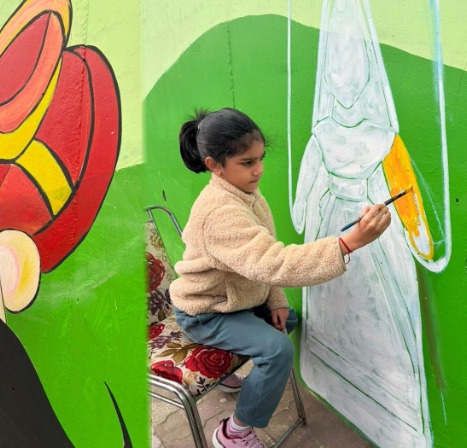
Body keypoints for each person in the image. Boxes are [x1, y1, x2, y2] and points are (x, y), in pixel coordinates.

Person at [167, 108, 391, 448]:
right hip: (206, 312)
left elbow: (261, 259)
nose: (258, 170)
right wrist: (349, 243)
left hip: (238, 301)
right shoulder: (219, 212)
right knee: (276, 350)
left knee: (288, 319)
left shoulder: (244, 193)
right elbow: (273, 263)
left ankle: (231, 375)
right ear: (214, 165)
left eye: (260, 158)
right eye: (246, 162)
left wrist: (277, 301)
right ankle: (233, 432)